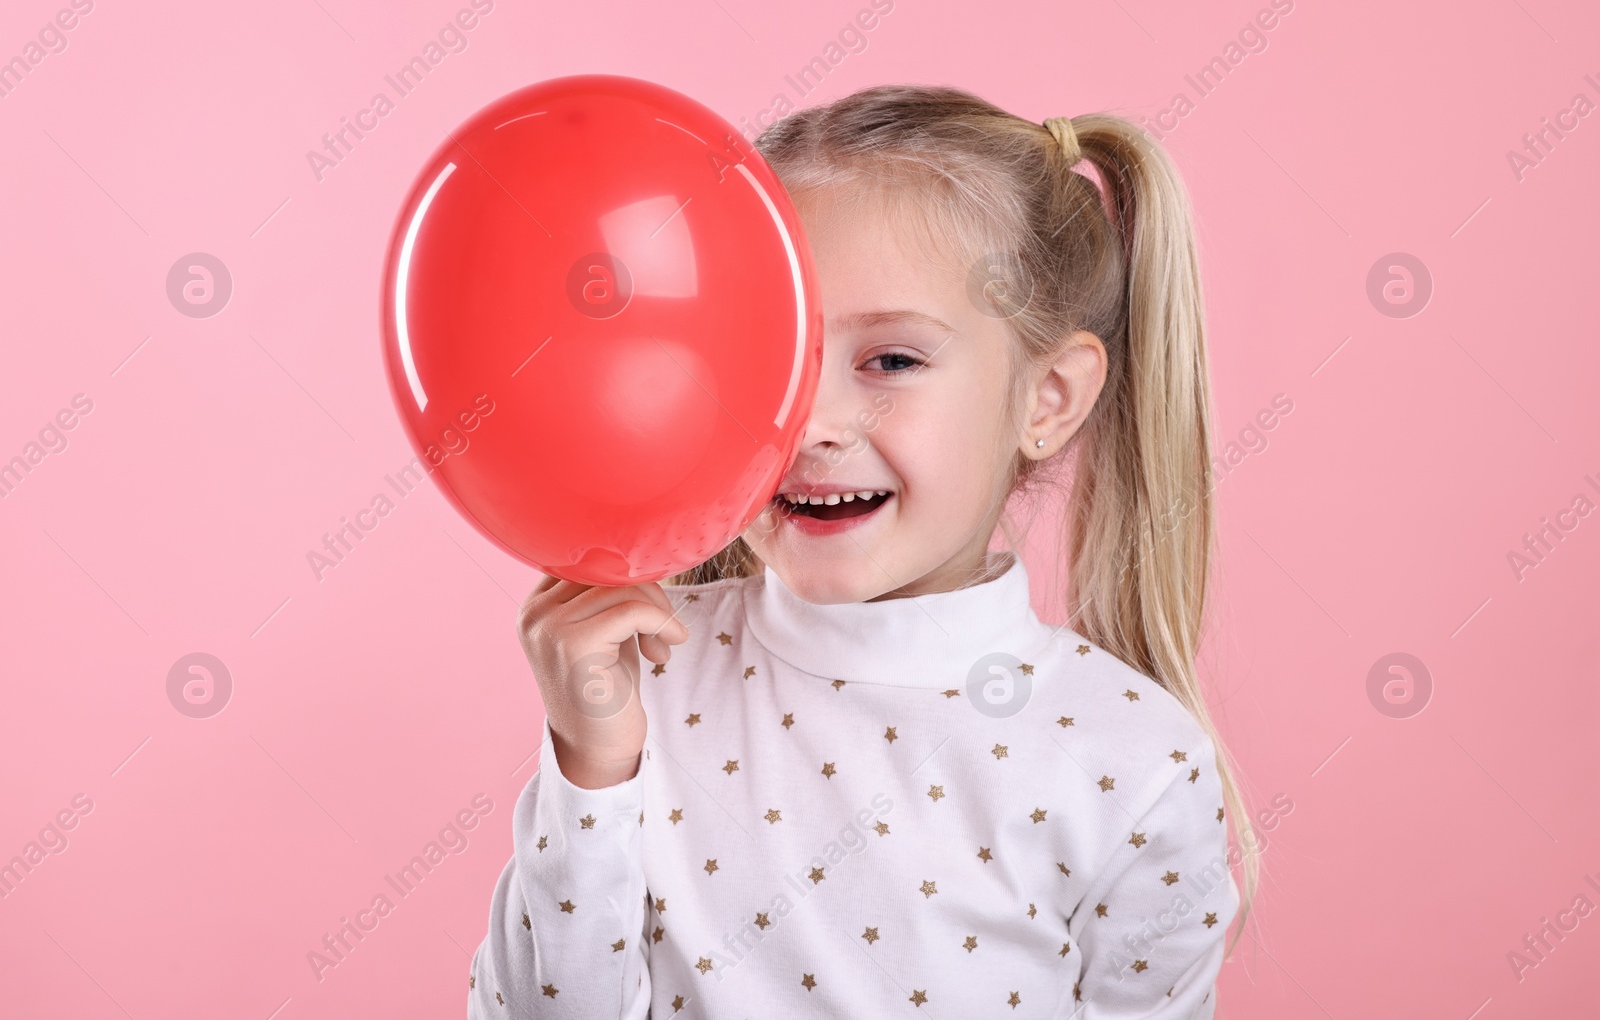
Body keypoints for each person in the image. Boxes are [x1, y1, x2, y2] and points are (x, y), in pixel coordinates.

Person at [468, 83, 1258, 1017]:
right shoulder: (647, 675)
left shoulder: (1132, 763)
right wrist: (589, 771)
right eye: (767, 352)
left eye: (891, 360)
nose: (810, 424)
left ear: (1047, 397)